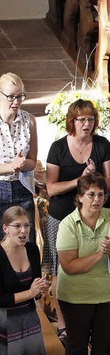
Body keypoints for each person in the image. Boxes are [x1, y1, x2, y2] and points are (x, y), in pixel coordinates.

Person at [45, 99, 110, 347]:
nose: (87, 124)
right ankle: (64, 325)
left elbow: (109, 184)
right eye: (81, 119)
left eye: (90, 119)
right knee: (59, 270)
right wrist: (79, 180)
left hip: (92, 215)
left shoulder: (102, 145)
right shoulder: (58, 147)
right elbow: (51, 188)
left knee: (93, 264)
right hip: (62, 215)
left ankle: (90, 322)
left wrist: (94, 177)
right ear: (71, 121)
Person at [57, 173, 110, 355]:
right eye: (91, 195)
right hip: (76, 296)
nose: (97, 199)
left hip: (108, 295)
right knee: (76, 346)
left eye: (100, 194)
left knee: (102, 346)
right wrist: (99, 253)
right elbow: (69, 267)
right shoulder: (68, 224)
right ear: (80, 197)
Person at [0, 206, 48, 355]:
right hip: (5, 324)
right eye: (17, 226)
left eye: (27, 226)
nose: (23, 231)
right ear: (5, 229)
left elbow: (35, 292)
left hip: (28, 320)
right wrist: (30, 292)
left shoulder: (32, 249)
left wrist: (41, 289)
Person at [0, 73, 37, 242]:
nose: (16, 102)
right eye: (11, 97)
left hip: (21, 187)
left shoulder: (29, 120)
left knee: (26, 241)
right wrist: (11, 166)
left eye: (20, 96)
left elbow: (32, 161)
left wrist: (22, 164)